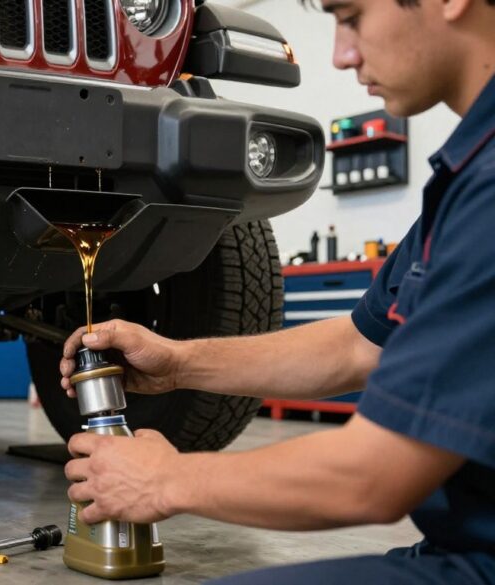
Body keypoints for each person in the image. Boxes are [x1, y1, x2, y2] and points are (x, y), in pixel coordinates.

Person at [58, 0, 495, 582]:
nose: (341, 54)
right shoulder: (467, 178)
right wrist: (176, 363)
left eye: (352, 17)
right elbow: (358, 347)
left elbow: (370, 478)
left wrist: (165, 478)